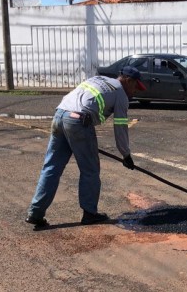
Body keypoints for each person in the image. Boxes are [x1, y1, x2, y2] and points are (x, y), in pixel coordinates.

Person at [25, 66, 146, 227]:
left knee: (51, 167)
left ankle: (35, 213)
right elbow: (121, 128)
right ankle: (90, 213)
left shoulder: (98, 79)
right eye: (135, 86)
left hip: (60, 115)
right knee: (90, 170)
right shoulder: (121, 94)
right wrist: (126, 155)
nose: (135, 91)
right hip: (79, 122)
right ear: (128, 80)